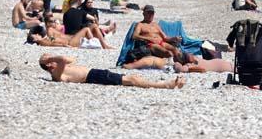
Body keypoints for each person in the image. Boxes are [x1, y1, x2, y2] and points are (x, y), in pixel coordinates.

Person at [39, 54, 185, 89]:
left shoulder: (62, 68)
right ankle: (167, 84)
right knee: (131, 80)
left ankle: (162, 83)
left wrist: (49, 58)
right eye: (48, 58)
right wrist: (49, 58)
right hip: (92, 76)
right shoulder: (56, 75)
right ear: (48, 65)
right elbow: (63, 59)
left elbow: (70, 59)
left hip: (95, 73)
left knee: (132, 78)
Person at [27, 22, 101, 48]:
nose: (37, 34)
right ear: (35, 40)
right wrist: (64, 46)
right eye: (35, 35)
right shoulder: (42, 42)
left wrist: (53, 38)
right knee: (86, 29)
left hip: (71, 40)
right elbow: (52, 44)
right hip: (70, 42)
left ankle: (100, 43)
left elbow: (52, 41)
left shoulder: (45, 39)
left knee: (93, 27)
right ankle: (95, 43)